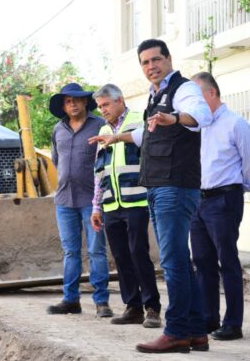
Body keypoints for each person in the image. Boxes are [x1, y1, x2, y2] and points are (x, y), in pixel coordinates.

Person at [89, 39, 212, 353]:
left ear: (169, 59)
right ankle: (196, 331)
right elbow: (146, 133)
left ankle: (176, 331)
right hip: (157, 186)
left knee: (172, 262)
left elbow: (201, 115)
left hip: (175, 184)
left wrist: (175, 118)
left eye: (156, 59)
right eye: (144, 62)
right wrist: (117, 137)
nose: (150, 66)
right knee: (180, 261)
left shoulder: (184, 90)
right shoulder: (155, 95)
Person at [190, 72, 250, 341]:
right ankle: (209, 318)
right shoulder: (198, 127)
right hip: (199, 200)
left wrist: (238, 190)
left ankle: (233, 323)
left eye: (197, 97)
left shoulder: (235, 123)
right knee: (202, 261)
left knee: (227, 260)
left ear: (211, 93)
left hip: (224, 199)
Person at [89, 84, 161, 328]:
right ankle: (133, 306)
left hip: (136, 201)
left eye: (106, 105)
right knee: (120, 256)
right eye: (99, 107)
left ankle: (152, 307)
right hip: (111, 205)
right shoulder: (102, 129)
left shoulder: (138, 121)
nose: (103, 110)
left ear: (119, 100)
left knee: (138, 253)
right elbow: (99, 172)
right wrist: (96, 207)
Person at [47, 83, 113, 318]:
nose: (72, 104)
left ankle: (101, 302)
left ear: (85, 102)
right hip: (64, 200)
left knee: (96, 250)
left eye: (76, 100)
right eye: (67, 101)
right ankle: (70, 299)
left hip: (91, 200)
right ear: (63, 106)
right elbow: (57, 160)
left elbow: (107, 161)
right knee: (70, 252)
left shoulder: (100, 126)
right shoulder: (58, 129)